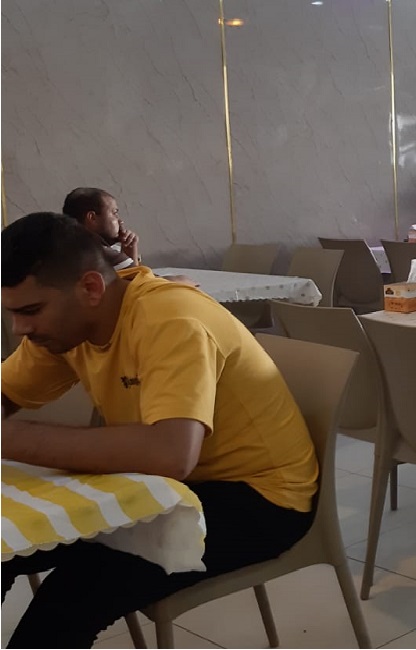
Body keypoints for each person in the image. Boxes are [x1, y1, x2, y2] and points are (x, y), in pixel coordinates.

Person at [0, 213, 318, 647]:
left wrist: (11, 438)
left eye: (31, 311)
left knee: (73, 593)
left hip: (260, 497)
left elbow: (171, 454)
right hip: (164, 484)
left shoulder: (170, 318)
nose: (19, 328)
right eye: (12, 313)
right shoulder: (65, 329)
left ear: (91, 288)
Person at [62, 187, 140, 270]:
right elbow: (138, 277)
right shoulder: (103, 255)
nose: (120, 221)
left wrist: (128, 253)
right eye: (114, 213)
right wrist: (130, 260)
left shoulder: (65, 250)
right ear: (92, 218)